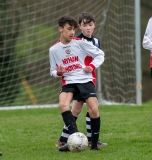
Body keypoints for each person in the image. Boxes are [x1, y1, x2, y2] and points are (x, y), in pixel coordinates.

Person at [49, 15, 105, 151]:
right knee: (63, 104)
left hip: (85, 79)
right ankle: (74, 139)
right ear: (60, 29)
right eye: (69, 29)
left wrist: (91, 66)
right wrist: (59, 72)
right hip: (69, 81)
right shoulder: (54, 50)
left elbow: (100, 54)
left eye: (73, 29)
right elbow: (52, 71)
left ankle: (94, 145)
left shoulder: (80, 42)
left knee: (94, 109)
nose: (72, 32)